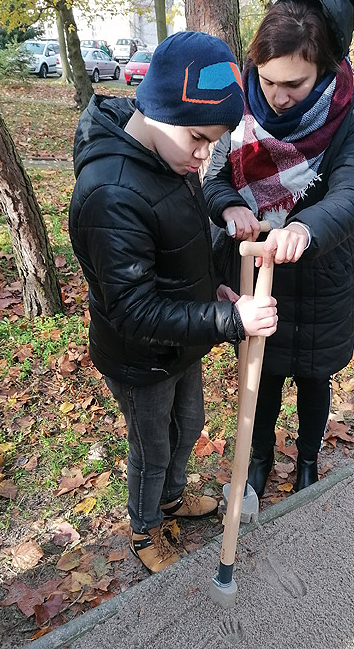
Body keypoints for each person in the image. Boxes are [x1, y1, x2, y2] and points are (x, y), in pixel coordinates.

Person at [68, 31, 278, 573]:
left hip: (183, 338)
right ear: (158, 108)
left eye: (213, 142)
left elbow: (180, 247)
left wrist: (216, 291)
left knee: (189, 423)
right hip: (141, 355)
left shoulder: (174, 161)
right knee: (153, 445)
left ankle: (171, 498)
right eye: (198, 137)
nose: (206, 155)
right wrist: (229, 319)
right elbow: (133, 310)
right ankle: (144, 526)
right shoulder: (112, 192)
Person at [203, 0, 354, 498]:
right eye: (268, 78)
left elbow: (353, 194)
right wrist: (230, 203)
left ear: (323, 70)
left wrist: (304, 227)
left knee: (313, 375)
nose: (276, 96)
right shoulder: (236, 103)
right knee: (261, 379)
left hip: (321, 268)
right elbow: (211, 178)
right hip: (256, 268)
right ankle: (258, 461)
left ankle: (307, 462)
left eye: (294, 85)